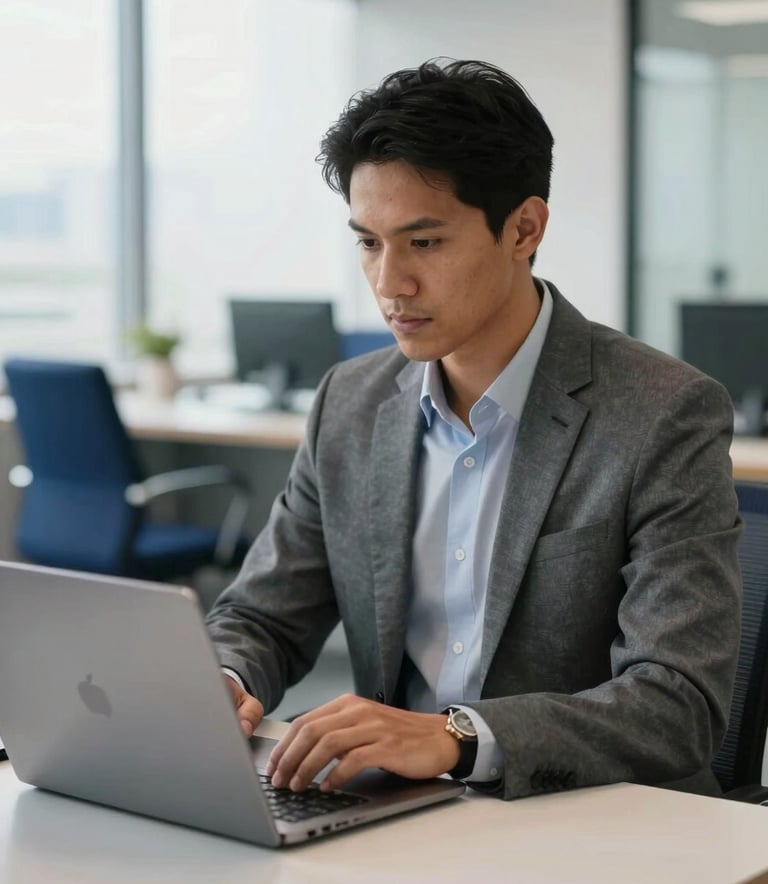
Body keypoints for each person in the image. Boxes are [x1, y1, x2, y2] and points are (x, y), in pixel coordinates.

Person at [206, 58, 741, 800]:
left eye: (424, 243)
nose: (391, 282)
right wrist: (224, 681)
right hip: (396, 815)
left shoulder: (663, 413)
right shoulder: (349, 403)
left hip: (589, 824)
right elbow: (262, 615)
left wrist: (457, 737)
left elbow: (678, 703)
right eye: (368, 241)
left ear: (524, 228)